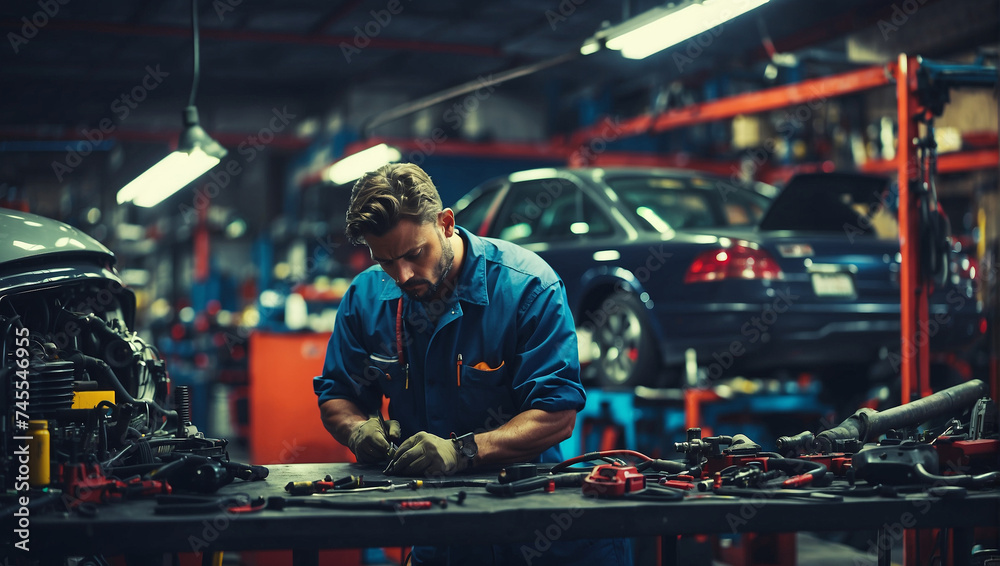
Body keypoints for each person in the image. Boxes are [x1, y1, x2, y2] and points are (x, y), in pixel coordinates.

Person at [314, 163, 632, 565]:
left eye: (414, 254)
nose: (402, 275)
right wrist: (357, 430)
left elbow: (556, 414)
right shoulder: (365, 298)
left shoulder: (528, 288)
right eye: (386, 261)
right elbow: (338, 394)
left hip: (529, 524)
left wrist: (463, 451)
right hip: (436, 527)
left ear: (446, 223)